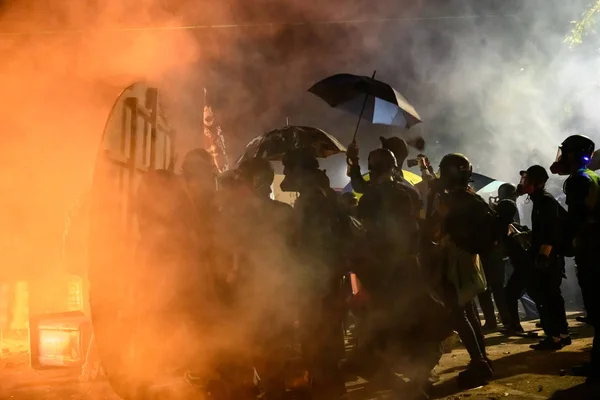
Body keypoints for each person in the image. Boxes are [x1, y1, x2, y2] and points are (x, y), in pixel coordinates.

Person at [281, 148, 347, 397]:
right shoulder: (318, 195)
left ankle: (326, 386)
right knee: (322, 337)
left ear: (301, 171)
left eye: (289, 169)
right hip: (321, 280)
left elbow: (316, 243)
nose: (285, 174)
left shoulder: (313, 200)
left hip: (318, 281)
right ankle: (327, 384)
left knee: (319, 337)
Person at [427, 153, 494, 389]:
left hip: (456, 259)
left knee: (458, 312)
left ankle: (478, 362)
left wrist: (432, 197)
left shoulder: (453, 200)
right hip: (469, 259)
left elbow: (432, 225)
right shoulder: (470, 196)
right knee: (469, 311)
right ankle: (483, 360)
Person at [550, 134, 600, 381]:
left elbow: (576, 219)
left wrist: (563, 243)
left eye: (565, 152)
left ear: (572, 154)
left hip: (592, 249)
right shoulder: (593, 176)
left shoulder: (578, 180)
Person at [517, 165, 571, 350]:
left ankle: (554, 336)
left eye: (527, 179)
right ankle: (561, 334)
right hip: (548, 257)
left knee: (546, 296)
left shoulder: (545, 201)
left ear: (538, 182)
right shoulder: (540, 200)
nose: (523, 182)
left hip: (548, 258)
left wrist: (543, 256)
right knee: (552, 297)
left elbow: (551, 232)